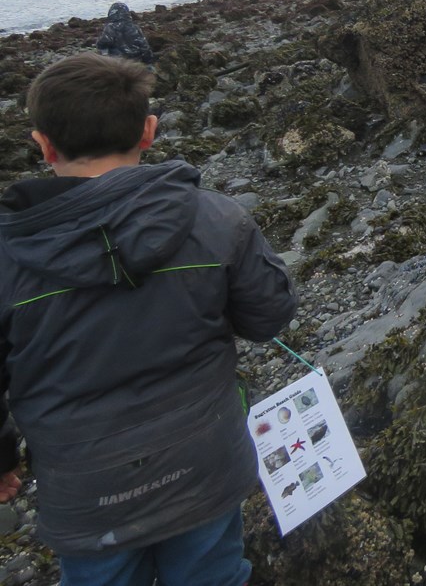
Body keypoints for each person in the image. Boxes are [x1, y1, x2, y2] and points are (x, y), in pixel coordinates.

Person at [0, 53, 298, 585]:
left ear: (43, 144)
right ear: (148, 132)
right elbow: (269, 316)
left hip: (86, 491)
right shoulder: (217, 217)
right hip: (205, 462)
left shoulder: (8, 258)